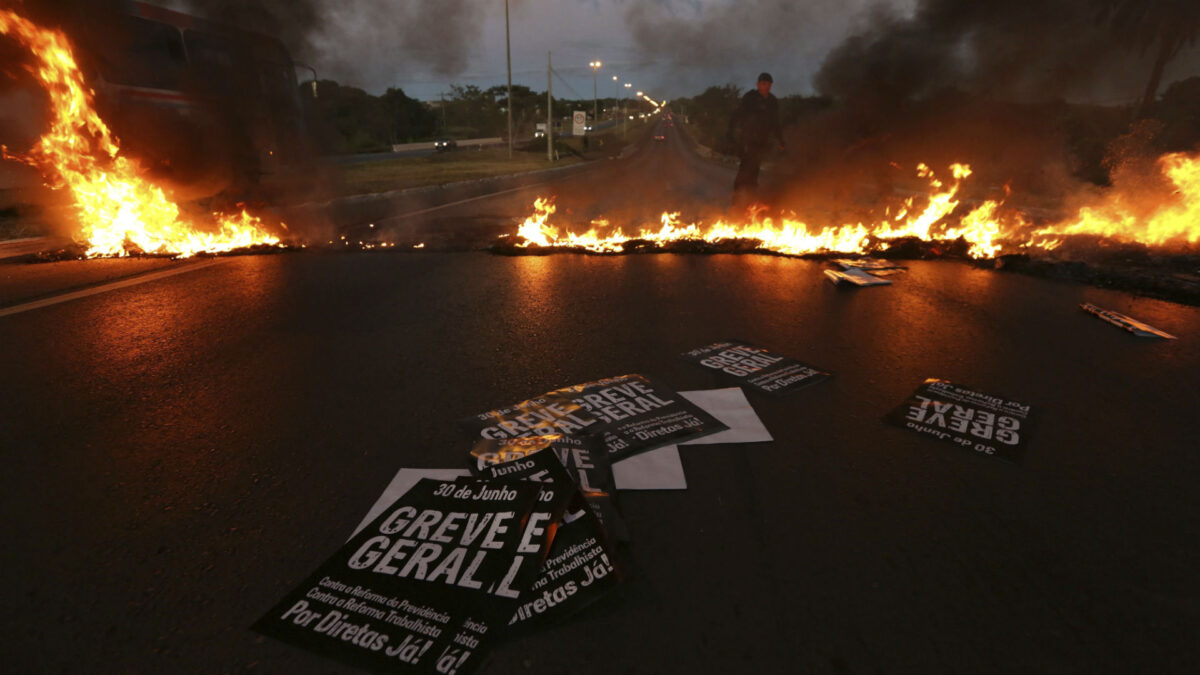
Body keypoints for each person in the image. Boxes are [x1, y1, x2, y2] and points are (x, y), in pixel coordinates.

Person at [726, 72, 785, 207]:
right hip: (747, 140)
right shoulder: (750, 98)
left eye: (768, 84)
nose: (766, 86)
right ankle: (737, 199)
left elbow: (775, 123)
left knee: (755, 171)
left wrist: (781, 140)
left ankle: (749, 202)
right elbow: (737, 115)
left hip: (762, 141)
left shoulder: (772, 101)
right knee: (745, 169)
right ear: (758, 84)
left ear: (771, 85)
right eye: (763, 83)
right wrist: (730, 135)